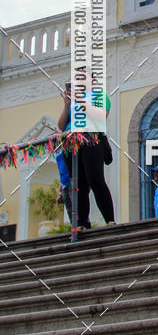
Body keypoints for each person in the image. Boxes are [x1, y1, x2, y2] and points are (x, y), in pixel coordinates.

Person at [57, 72, 115, 230]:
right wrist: (67, 105)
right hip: (70, 143)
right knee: (78, 185)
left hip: (90, 139)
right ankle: (82, 223)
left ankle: (110, 220)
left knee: (96, 180)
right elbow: (62, 126)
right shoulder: (74, 100)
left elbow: (101, 117)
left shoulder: (98, 96)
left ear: (92, 80)